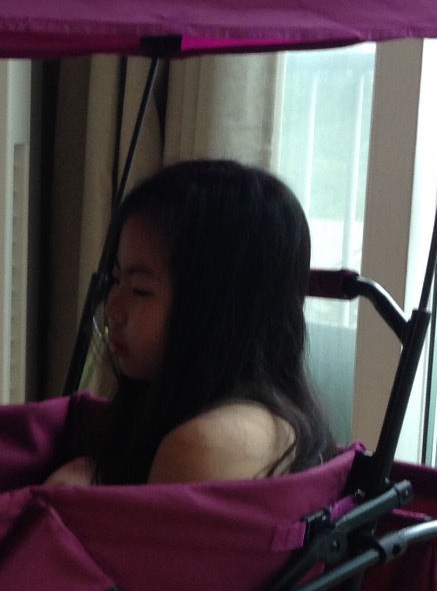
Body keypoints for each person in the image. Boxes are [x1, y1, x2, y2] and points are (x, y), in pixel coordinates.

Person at [48, 159, 332, 487]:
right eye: (115, 279)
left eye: (140, 290)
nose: (112, 308)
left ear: (215, 305)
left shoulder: (202, 445)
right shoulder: (285, 420)